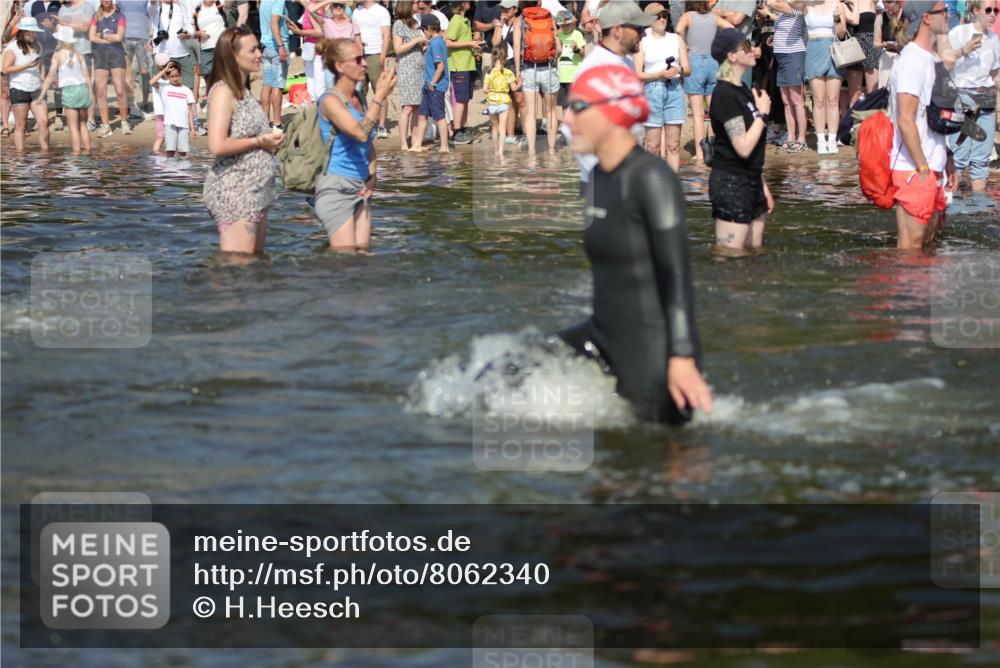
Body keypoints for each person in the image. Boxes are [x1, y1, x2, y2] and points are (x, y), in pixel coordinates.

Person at [560, 63, 712, 424]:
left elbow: (677, 275)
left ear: (612, 111)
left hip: (654, 354)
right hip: (603, 336)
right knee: (508, 368)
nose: (566, 120)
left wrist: (682, 357)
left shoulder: (651, 178)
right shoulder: (597, 178)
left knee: (651, 453)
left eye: (577, 107)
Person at [204, 24, 283, 253]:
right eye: (252, 50)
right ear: (233, 56)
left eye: (259, 48)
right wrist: (258, 142)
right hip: (235, 191)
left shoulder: (244, 91)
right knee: (237, 266)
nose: (259, 54)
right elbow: (217, 145)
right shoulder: (223, 91)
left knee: (256, 265)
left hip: (256, 191)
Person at [314, 38, 395, 251]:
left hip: (361, 185)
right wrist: (379, 96)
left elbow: (368, 143)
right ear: (340, 66)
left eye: (364, 57)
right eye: (358, 60)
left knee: (363, 258)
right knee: (346, 259)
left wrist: (372, 176)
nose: (365, 63)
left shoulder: (360, 98)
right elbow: (359, 133)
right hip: (336, 187)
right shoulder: (329, 100)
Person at [889, 0, 955, 250]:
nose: (948, 14)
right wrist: (923, 169)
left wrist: (947, 158)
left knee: (930, 244)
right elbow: (905, 120)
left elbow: (932, 117)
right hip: (913, 169)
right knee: (911, 248)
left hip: (933, 165)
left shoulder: (931, 58)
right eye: (943, 11)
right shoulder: (912, 61)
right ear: (927, 18)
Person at [708, 28, 773, 253]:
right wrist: (763, 114)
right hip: (731, 184)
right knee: (730, 256)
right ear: (732, 56)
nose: (753, 50)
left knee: (754, 253)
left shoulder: (743, 89)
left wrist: (762, 186)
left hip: (752, 180)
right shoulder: (725, 94)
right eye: (746, 47)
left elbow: (752, 149)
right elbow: (743, 146)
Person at [947, 0, 1000, 191]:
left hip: (986, 100)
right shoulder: (959, 33)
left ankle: (979, 206)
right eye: (988, 10)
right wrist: (964, 50)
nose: (993, 14)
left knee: (981, 161)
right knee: (959, 158)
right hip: (964, 98)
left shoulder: (993, 38)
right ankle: (952, 204)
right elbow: (944, 62)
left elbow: (995, 74)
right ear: (976, 10)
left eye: (996, 10)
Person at [635, 2, 689, 171]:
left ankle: (673, 183)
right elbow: (637, 73)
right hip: (652, 90)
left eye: (664, 16)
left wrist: (678, 69)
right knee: (652, 146)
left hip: (675, 89)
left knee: (673, 145)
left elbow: (688, 70)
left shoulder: (676, 39)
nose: (662, 19)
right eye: (657, 16)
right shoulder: (641, 42)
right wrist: (657, 75)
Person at [676, 2, 729, 163]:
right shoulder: (714, 17)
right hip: (713, 61)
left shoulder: (687, 16)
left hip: (695, 62)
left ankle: (700, 154)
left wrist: (685, 46)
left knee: (698, 114)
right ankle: (719, 150)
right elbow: (731, 28)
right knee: (715, 112)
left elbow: (678, 30)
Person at [804, 0, 848, 155]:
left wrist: (837, 18)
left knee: (833, 99)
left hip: (833, 50)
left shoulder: (837, 4)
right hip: (813, 49)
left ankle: (832, 139)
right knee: (818, 99)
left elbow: (842, 34)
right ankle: (821, 140)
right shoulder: (806, 4)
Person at [517, 0, 561, 155]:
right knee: (551, 111)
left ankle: (531, 152)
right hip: (549, 68)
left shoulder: (520, 20)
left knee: (531, 113)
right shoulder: (550, 18)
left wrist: (518, 72)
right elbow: (559, 48)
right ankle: (552, 151)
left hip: (529, 69)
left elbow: (517, 49)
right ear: (539, 2)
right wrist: (554, 59)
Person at [39, 24, 91, 153]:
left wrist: (41, 94)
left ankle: (76, 154)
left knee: (72, 126)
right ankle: (88, 152)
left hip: (69, 90)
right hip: (82, 89)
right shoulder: (79, 54)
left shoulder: (57, 55)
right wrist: (91, 93)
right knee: (83, 124)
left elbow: (50, 76)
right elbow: (87, 76)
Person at [3, 16, 49, 151]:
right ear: (22, 32)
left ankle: (45, 153)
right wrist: (26, 66)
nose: (34, 34)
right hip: (19, 88)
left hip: (36, 88)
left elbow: (41, 65)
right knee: (21, 125)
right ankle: (20, 156)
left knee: (44, 121)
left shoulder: (38, 46)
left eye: (35, 32)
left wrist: (43, 80)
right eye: (31, 32)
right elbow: (6, 69)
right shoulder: (12, 48)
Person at [767, 0, 807, 152]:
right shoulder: (784, 12)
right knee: (786, 101)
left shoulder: (798, 6)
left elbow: (772, 3)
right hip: (782, 56)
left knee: (797, 100)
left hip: (793, 55)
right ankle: (790, 137)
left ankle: (801, 139)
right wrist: (775, 39)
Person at [88, 0, 129, 137]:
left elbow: (119, 37)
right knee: (100, 92)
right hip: (100, 56)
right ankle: (105, 125)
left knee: (120, 90)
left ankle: (124, 122)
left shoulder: (120, 16)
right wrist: (110, 38)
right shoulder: (95, 16)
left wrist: (101, 35)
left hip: (117, 55)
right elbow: (91, 37)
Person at [445, 1, 482, 144]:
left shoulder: (465, 20)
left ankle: (462, 129)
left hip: (467, 65)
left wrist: (474, 45)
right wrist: (469, 43)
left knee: (465, 99)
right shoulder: (456, 20)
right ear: (461, 4)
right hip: (459, 66)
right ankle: (456, 132)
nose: (470, 2)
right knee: (460, 100)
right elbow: (448, 42)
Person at [352, 0, 391, 137]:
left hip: (375, 54)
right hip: (359, 55)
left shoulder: (381, 11)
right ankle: (364, 123)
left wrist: (382, 56)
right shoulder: (356, 11)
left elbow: (387, 35)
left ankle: (381, 126)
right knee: (359, 91)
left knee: (380, 91)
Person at [411, 13, 449, 152]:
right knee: (422, 115)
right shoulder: (434, 43)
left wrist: (433, 83)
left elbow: (440, 66)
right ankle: (417, 145)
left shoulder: (437, 43)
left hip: (435, 86)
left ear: (429, 28)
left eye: (423, 30)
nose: (423, 33)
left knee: (439, 116)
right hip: (428, 85)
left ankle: (444, 146)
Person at [392, 0, 426, 150]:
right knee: (407, 107)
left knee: (417, 107)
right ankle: (404, 144)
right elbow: (398, 49)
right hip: (407, 69)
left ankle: (416, 143)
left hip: (419, 69)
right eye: (414, 2)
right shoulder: (399, 24)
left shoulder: (415, 23)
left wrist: (424, 46)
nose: (418, 4)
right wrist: (417, 40)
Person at [58, 0, 97, 130]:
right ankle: (74, 119)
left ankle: (90, 118)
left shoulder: (87, 7)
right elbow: (59, 29)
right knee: (69, 84)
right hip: (66, 51)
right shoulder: (63, 8)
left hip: (84, 50)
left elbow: (85, 27)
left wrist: (65, 24)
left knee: (87, 84)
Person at [492, 0, 525, 144]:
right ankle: (510, 135)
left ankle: (526, 134)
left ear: (515, 9)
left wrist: (518, 70)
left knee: (520, 100)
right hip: (503, 65)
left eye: (507, 9)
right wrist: (500, 24)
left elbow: (519, 46)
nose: (504, 11)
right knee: (509, 101)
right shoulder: (501, 24)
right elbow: (495, 43)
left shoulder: (520, 22)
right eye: (502, 9)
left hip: (517, 63)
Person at [149, 59, 195, 156]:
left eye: (177, 76)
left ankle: (182, 166)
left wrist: (193, 128)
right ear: (167, 77)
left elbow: (190, 111)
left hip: (184, 125)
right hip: (170, 124)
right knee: (170, 150)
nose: (175, 78)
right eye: (172, 76)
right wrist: (164, 70)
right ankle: (170, 166)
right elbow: (152, 82)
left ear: (180, 74)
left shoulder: (187, 90)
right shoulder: (164, 87)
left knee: (182, 152)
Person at [119, 0, 152, 119]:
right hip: (125, 38)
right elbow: (116, 15)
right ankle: (127, 104)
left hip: (142, 39)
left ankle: (145, 102)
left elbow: (152, 15)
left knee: (144, 71)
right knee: (125, 72)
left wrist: (150, 37)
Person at [259, 0, 289, 129]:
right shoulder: (279, 1)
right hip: (276, 47)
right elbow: (273, 23)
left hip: (266, 46)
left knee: (267, 84)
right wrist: (281, 45)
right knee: (278, 85)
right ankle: (277, 123)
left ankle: (265, 122)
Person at [483, 44, 516, 155]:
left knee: (494, 127)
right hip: (504, 101)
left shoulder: (489, 72)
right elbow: (514, 88)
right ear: (505, 58)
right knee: (502, 127)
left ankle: (495, 150)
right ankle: (501, 151)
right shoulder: (508, 72)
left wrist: (492, 91)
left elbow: (484, 90)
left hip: (492, 101)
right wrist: (520, 83)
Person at [846, 0, 879, 107]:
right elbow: (853, 21)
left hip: (872, 48)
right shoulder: (846, 3)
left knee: (873, 94)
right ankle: (853, 117)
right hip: (854, 47)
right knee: (854, 97)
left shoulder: (873, 2)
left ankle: (872, 118)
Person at [555, 9, 585, 118]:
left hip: (575, 76)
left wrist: (576, 49)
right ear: (559, 25)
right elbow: (555, 55)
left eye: (568, 24)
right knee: (565, 104)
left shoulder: (577, 34)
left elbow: (583, 54)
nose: (566, 27)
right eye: (563, 25)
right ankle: (566, 124)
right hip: (561, 76)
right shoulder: (557, 36)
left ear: (572, 23)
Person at [194, 0, 229, 82]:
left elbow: (229, 5)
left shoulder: (220, 4)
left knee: (226, 74)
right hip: (206, 48)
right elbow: (192, 30)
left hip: (222, 46)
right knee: (208, 76)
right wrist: (198, 33)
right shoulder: (197, 9)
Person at [874, 0, 903, 88]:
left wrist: (900, 45)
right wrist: (885, 44)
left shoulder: (907, 15)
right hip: (887, 60)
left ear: (898, 3)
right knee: (886, 91)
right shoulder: (880, 17)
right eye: (886, 9)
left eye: (892, 9)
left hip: (905, 57)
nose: (889, 12)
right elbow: (875, 43)